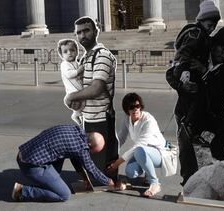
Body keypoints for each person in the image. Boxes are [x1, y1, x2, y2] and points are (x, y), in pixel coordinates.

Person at [165, 0, 221, 186]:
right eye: (209, 23)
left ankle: (197, 178)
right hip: (189, 103)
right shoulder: (197, 35)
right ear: (202, 21)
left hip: (198, 98)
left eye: (214, 24)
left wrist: (202, 68)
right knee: (189, 142)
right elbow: (180, 59)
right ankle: (190, 180)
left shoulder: (204, 38)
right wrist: (184, 81)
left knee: (198, 142)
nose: (212, 27)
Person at [65, 17, 121, 188]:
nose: (82, 35)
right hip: (89, 117)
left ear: (96, 31)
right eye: (79, 32)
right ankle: (100, 181)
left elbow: (96, 88)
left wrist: (72, 97)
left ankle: (107, 182)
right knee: (92, 162)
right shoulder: (85, 57)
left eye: (86, 30)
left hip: (100, 117)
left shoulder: (101, 55)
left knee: (100, 163)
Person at [11, 125, 115, 202]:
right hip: (30, 166)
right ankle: (22, 191)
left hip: (24, 154)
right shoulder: (81, 148)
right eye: (93, 151)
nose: (91, 154)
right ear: (89, 144)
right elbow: (92, 169)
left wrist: (84, 178)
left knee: (63, 154)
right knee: (64, 194)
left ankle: (48, 182)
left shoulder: (75, 129)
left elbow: (75, 157)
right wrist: (109, 182)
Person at [107, 93, 167, 197]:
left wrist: (117, 162)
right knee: (131, 172)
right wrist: (111, 154)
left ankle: (155, 183)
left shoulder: (149, 120)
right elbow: (121, 138)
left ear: (141, 107)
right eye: (131, 107)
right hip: (142, 152)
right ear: (127, 110)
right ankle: (147, 171)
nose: (135, 109)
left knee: (139, 149)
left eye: (137, 106)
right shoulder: (127, 119)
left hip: (159, 153)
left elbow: (139, 146)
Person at [203, 26, 224, 161]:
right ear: (213, 46)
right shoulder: (202, 59)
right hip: (190, 111)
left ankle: (220, 159)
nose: (223, 53)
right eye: (221, 48)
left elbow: (215, 90)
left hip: (212, 114)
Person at [57, 39, 84, 125]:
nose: (69, 53)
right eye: (65, 51)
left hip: (79, 89)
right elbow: (69, 74)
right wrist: (78, 71)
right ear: (61, 55)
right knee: (83, 102)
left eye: (72, 50)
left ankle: (78, 114)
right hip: (72, 92)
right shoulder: (64, 64)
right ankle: (76, 114)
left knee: (85, 102)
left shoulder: (77, 63)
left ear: (77, 52)